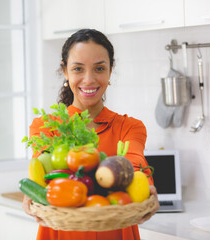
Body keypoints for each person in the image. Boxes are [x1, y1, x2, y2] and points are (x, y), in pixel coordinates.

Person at [23, 29, 159, 240]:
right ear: (65, 72)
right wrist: (32, 192)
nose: (89, 79)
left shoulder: (129, 127)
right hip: (61, 234)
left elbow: (134, 163)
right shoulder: (46, 126)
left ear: (110, 71)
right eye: (78, 68)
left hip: (116, 232)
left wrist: (147, 188)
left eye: (99, 68)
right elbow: (41, 171)